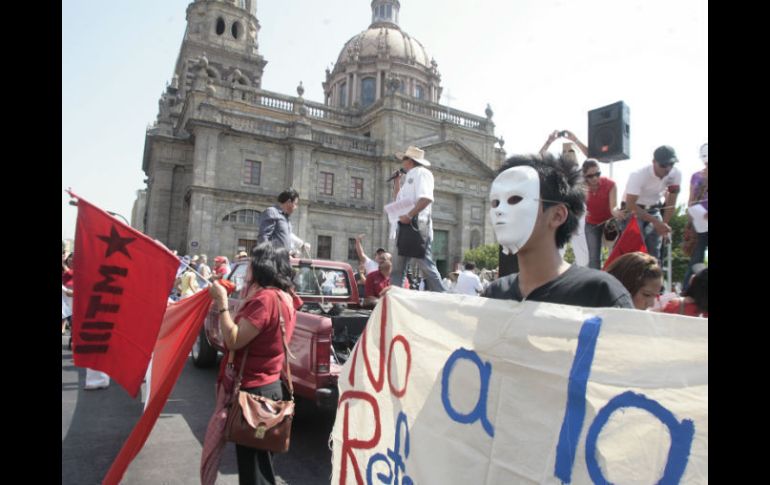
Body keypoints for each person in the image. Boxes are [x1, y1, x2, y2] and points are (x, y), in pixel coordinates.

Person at [482, 153, 633, 308]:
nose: (499, 210)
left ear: (557, 215)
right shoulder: (494, 294)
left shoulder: (600, 294)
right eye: (495, 202)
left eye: (515, 199)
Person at [207, 243, 300, 485]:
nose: (248, 267)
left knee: (255, 473)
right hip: (269, 388)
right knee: (259, 467)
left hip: (254, 395)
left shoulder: (266, 299)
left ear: (261, 265)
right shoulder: (285, 296)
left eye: (252, 262)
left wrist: (222, 302)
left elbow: (234, 340)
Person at [390, 146, 446, 292]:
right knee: (397, 268)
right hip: (404, 225)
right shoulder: (410, 176)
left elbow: (426, 198)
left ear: (410, 161)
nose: (402, 162)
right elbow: (398, 201)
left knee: (425, 265)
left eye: (404, 159)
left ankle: (443, 294)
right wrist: (397, 182)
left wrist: (409, 215)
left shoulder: (422, 173)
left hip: (416, 224)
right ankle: (395, 297)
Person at [623, 145, 682, 264]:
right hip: (634, 208)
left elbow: (671, 202)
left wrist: (663, 225)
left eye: (671, 164)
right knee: (636, 249)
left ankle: (654, 274)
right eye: (663, 165)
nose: (668, 168)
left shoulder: (675, 174)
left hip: (654, 208)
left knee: (654, 251)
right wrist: (656, 222)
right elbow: (630, 205)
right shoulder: (638, 175)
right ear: (654, 162)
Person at [539, 130, 590, 266]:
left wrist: (575, 140)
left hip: (578, 212)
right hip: (560, 210)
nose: (568, 154)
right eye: (565, 152)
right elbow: (538, 160)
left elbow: (593, 155)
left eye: (571, 152)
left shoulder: (582, 171)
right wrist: (549, 142)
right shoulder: (556, 171)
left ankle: (584, 274)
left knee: (583, 252)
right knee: (558, 247)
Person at [582, 159, 624, 269]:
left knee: (615, 254)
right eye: (590, 176)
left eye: (597, 174)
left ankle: (614, 276)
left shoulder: (610, 184)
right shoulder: (580, 187)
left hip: (609, 223)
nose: (595, 178)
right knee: (594, 257)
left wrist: (616, 212)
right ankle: (595, 279)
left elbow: (613, 207)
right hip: (592, 224)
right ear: (584, 176)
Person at [682, 143, 708, 292]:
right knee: (696, 258)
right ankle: (687, 291)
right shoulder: (696, 176)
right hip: (699, 223)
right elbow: (691, 199)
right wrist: (691, 218)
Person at [258, 188, 310, 255]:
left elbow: (287, 235)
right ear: (289, 202)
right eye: (295, 204)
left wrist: (301, 244)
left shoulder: (285, 218)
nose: (296, 207)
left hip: (283, 258)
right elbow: (263, 237)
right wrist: (268, 255)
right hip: (273, 258)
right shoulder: (272, 212)